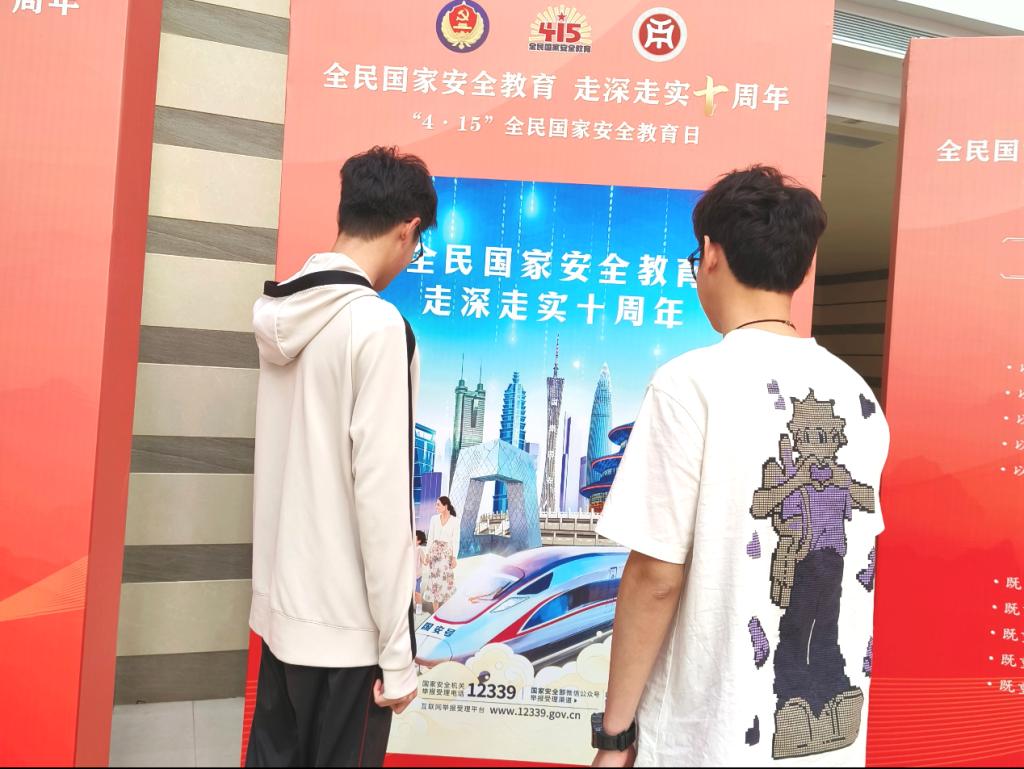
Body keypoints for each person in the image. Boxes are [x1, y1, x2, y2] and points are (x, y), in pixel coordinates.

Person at [591, 166, 889, 768]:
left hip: (708, 743)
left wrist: (615, 737)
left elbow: (656, 578)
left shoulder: (690, 383)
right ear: (802, 265)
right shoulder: (859, 396)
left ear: (709, 254)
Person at [246, 146, 437, 767]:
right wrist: (398, 656)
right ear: (408, 229)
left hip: (283, 623)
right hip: (349, 641)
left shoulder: (285, 313)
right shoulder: (376, 327)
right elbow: (380, 500)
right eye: (418, 246)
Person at [423, 496, 461, 611]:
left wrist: (454, 558)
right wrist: (427, 554)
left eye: (438, 504)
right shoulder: (434, 519)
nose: (436, 507)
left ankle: (447, 611)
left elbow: (455, 540)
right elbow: (430, 537)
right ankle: (436, 612)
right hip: (434, 555)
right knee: (434, 582)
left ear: (445, 506)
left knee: (447, 582)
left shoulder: (455, 521)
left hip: (446, 556)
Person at [414, 529, 428, 612]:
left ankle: (419, 609)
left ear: (419, 541)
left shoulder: (419, 549)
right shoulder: (409, 548)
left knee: (417, 592)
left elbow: (424, 561)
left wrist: (427, 560)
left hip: (417, 575)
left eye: (414, 537)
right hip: (408, 576)